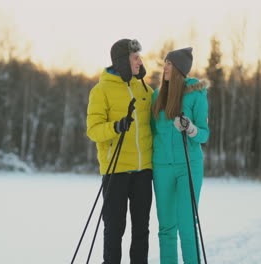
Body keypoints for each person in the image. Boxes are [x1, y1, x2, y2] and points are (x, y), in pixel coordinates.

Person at [86, 39, 154, 264]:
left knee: (142, 230)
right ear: (124, 61)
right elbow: (93, 130)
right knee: (114, 230)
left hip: (143, 171)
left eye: (140, 57)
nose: (140, 62)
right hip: (115, 170)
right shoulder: (100, 90)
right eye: (136, 58)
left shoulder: (145, 90)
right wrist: (116, 127)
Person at [151, 47, 210, 264]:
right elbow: (152, 131)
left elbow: (204, 134)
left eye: (169, 63)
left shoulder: (196, 94)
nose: (165, 67)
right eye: (165, 62)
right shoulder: (158, 96)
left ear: (179, 69)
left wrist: (191, 129)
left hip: (188, 165)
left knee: (186, 224)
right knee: (166, 227)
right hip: (162, 167)